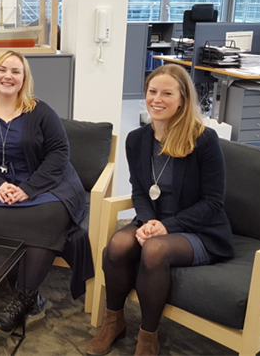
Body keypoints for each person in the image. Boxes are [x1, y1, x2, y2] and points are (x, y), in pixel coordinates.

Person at [86, 64, 234, 356]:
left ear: (182, 100)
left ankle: (148, 336)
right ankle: (113, 322)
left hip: (198, 230)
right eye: (152, 91)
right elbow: (140, 191)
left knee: (154, 250)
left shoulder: (204, 140)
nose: (157, 99)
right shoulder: (136, 139)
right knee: (117, 245)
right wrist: (149, 220)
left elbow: (213, 202)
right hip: (154, 221)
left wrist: (167, 226)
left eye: (167, 93)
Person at [0, 50, 93, 337]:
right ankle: (33, 300)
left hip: (50, 187)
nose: (8, 76)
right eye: (2, 70)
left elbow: (59, 154)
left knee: (46, 218)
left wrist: (28, 188)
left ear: (24, 78)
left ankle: (21, 300)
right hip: (2, 189)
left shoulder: (41, 112)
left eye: (15, 71)